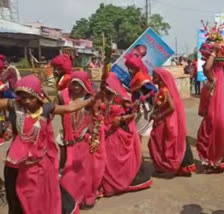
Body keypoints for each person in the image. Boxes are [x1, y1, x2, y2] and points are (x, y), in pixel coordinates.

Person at [0, 75, 93, 214]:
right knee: (19, 199)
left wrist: (89, 101)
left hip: (40, 166)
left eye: (31, 97)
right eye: (23, 97)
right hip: (17, 166)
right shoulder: (14, 105)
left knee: (41, 197)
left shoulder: (47, 108)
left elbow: (69, 108)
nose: (27, 101)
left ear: (38, 95)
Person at [100, 72, 152, 197]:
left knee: (116, 159)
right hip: (105, 131)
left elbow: (132, 114)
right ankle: (108, 184)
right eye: (103, 85)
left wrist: (120, 119)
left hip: (119, 133)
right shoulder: (101, 97)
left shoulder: (122, 97)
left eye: (106, 84)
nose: (104, 87)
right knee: (106, 160)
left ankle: (120, 182)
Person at [57, 71, 96, 208]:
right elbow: (56, 112)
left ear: (84, 85)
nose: (75, 88)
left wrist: (92, 136)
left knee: (84, 171)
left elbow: (96, 118)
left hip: (83, 139)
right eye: (73, 84)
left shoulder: (90, 99)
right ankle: (71, 200)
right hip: (68, 140)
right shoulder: (63, 96)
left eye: (78, 85)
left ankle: (86, 197)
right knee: (69, 172)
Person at [149, 68, 196, 176]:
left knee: (157, 143)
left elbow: (171, 107)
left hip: (164, 121)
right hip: (162, 120)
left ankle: (165, 166)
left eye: (155, 76)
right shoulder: (161, 89)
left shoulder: (164, 90)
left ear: (160, 78)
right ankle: (163, 166)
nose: (153, 78)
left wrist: (159, 116)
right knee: (158, 143)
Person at [125, 56, 157, 137]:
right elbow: (134, 90)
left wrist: (145, 97)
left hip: (143, 108)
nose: (129, 70)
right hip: (135, 105)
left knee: (137, 131)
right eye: (128, 68)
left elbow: (154, 90)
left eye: (131, 68)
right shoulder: (135, 77)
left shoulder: (141, 78)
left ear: (137, 68)